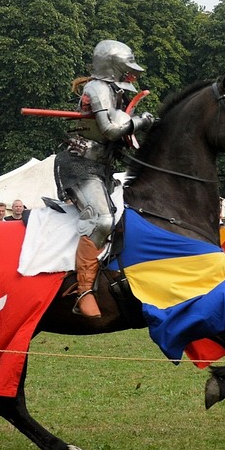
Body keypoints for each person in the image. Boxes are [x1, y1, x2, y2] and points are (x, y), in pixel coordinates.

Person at [52, 39, 156, 318]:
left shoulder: (114, 91)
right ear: (112, 67)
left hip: (102, 167)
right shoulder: (97, 88)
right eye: (126, 70)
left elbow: (117, 139)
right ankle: (83, 291)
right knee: (101, 219)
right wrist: (139, 122)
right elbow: (109, 129)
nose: (131, 75)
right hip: (79, 165)